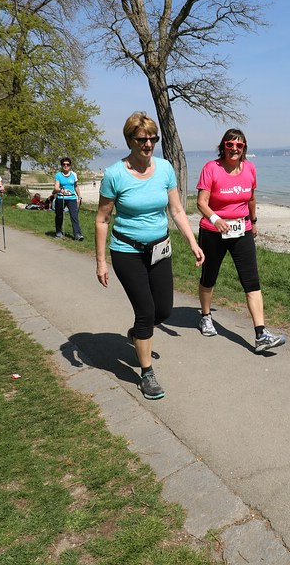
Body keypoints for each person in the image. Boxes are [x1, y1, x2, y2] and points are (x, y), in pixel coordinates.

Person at [94, 112, 204, 400]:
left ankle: (137, 334)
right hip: (127, 251)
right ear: (129, 139)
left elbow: (177, 210)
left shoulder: (165, 168)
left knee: (163, 311)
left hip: (160, 249)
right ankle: (147, 374)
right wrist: (101, 261)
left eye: (153, 138)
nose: (148, 144)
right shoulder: (114, 174)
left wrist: (193, 243)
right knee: (145, 312)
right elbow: (102, 219)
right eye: (142, 139)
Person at [195, 128, 286, 353]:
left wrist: (253, 222)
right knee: (209, 277)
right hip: (213, 232)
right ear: (223, 146)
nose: (234, 149)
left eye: (239, 145)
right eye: (230, 145)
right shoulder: (211, 168)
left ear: (244, 148)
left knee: (251, 281)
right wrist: (216, 219)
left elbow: (251, 198)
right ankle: (205, 316)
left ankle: (261, 334)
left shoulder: (250, 169)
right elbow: (201, 202)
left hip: (241, 230)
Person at [53, 157, 85, 241]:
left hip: (72, 198)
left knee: (74, 216)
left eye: (67, 164)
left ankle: (77, 234)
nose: (66, 166)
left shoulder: (73, 174)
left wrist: (79, 196)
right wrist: (60, 190)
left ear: (70, 165)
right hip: (61, 197)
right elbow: (56, 187)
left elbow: (76, 186)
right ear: (61, 165)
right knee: (59, 215)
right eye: (64, 164)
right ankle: (59, 232)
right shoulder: (58, 175)